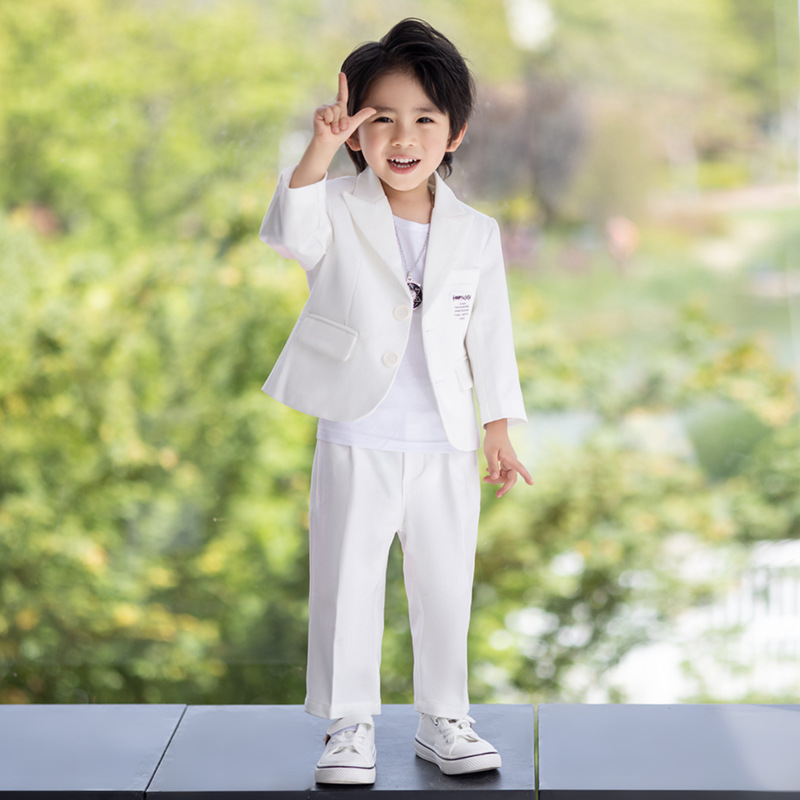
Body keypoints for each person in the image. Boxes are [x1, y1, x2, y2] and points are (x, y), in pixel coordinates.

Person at [259, 18, 532, 785]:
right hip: (358, 430)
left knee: (445, 584)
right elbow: (287, 232)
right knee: (347, 580)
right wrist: (316, 147)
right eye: (380, 118)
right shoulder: (336, 204)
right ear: (355, 131)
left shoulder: (475, 232)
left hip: (443, 437)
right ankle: (350, 724)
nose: (401, 136)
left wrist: (499, 426)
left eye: (424, 119)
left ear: (455, 133)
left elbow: (492, 335)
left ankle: (445, 718)